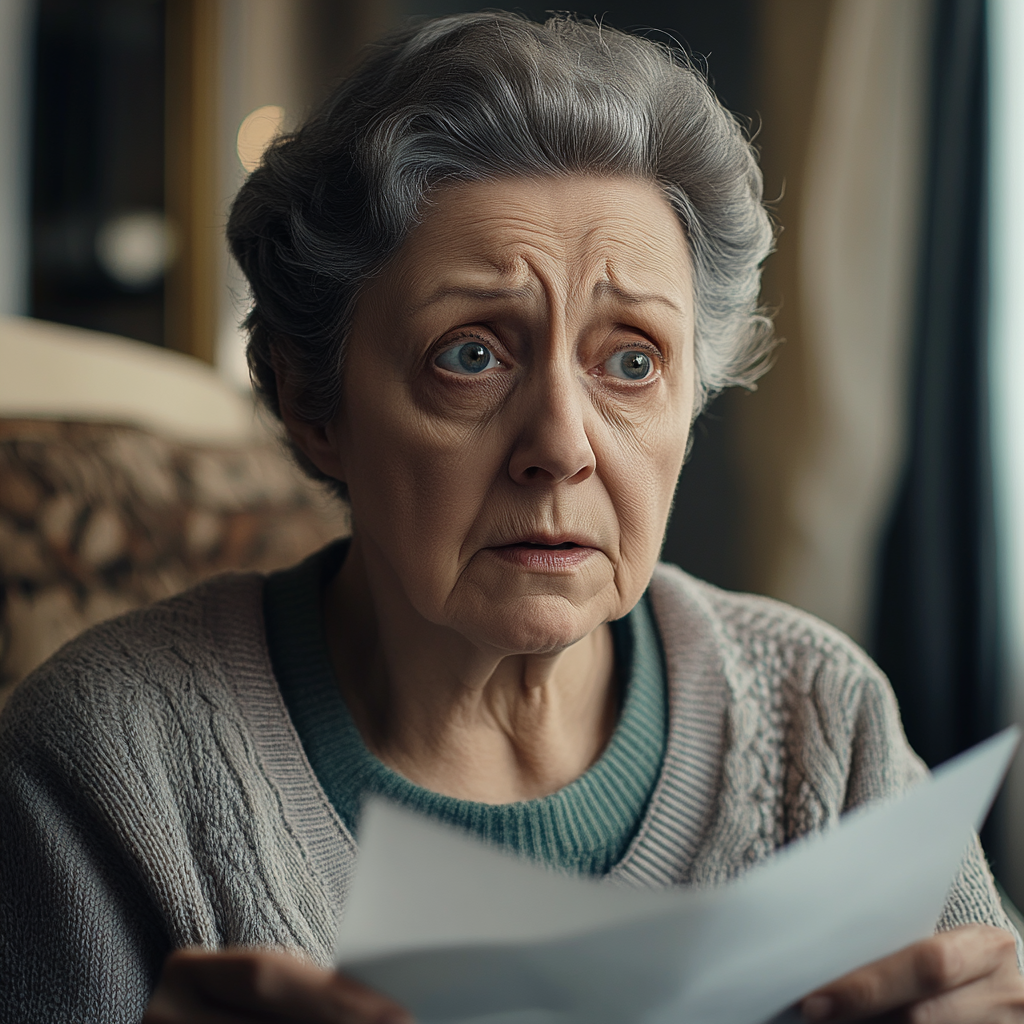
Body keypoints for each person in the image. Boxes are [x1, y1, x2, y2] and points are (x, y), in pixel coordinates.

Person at [1, 11, 1022, 1024]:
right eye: (471, 354)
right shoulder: (101, 760)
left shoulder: (822, 715)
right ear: (315, 404)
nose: (564, 446)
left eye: (631, 361)